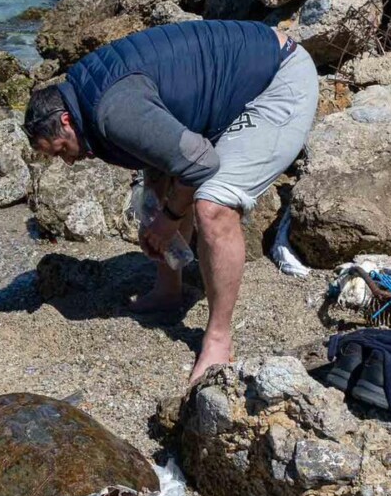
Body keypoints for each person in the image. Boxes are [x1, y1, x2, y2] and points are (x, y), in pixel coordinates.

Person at [22, 20, 318, 385]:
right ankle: (168, 291)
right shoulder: (84, 93)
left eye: (62, 150)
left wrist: (170, 217)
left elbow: (201, 162)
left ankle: (219, 339)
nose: (68, 160)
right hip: (241, 77)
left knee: (213, 206)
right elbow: (159, 157)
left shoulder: (111, 112)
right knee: (157, 195)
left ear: (66, 121)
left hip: (279, 79)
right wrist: (157, 216)